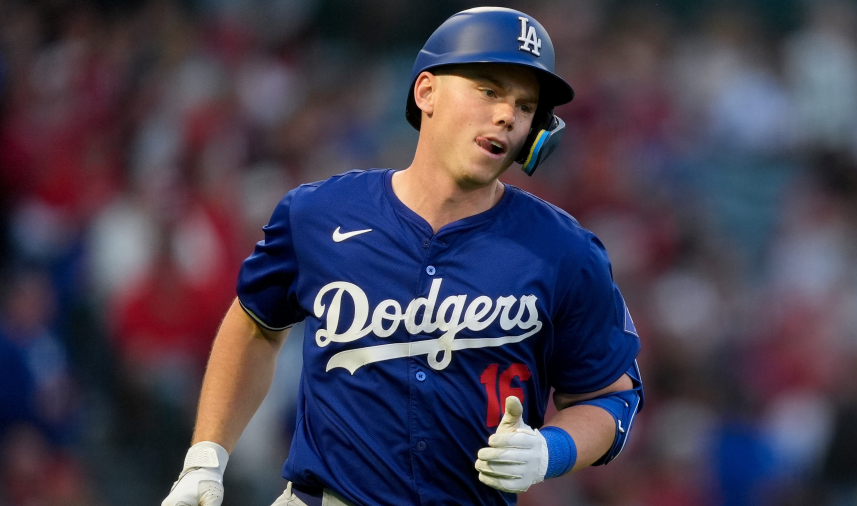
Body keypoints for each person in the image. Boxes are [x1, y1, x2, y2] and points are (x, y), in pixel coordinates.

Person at [161, 7, 643, 506]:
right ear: (426, 92)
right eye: (489, 90)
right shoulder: (318, 214)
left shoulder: (565, 250)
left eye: (525, 106)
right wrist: (205, 458)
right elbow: (256, 325)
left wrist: (551, 450)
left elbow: (610, 395)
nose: (506, 115)